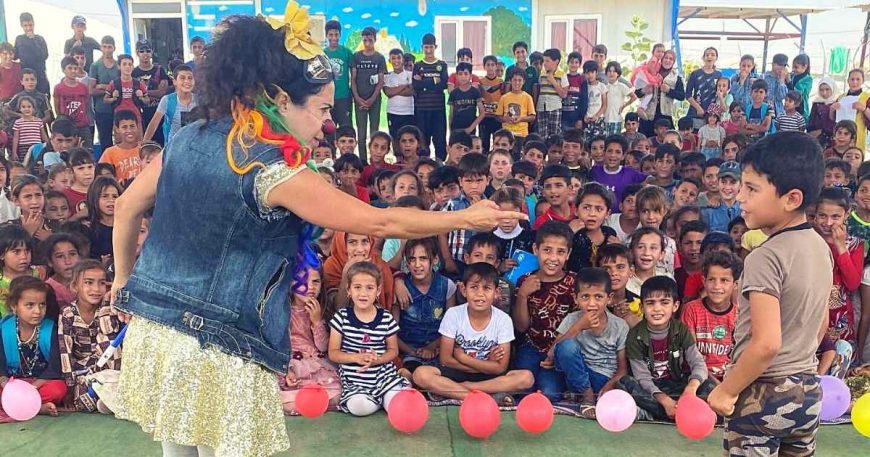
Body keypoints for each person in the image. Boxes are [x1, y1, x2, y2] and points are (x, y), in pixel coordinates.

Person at [110, 7, 523, 455]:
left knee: (180, 446)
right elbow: (381, 221)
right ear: (280, 100)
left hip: (158, 326)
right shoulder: (274, 170)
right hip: (221, 341)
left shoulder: (187, 136)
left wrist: (122, 278)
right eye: (322, 109)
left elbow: (128, 206)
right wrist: (466, 217)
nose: (327, 122)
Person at [707, 132, 830, 455]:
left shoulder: (765, 255)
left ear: (791, 198)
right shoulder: (820, 247)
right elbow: (821, 321)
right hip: (807, 390)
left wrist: (727, 390)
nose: (740, 198)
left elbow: (766, 344)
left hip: (761, 395)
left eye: (752, 189)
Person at [413, 262, 534, 402]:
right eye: (474, 287)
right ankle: (479, 397)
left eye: (487, 288)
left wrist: (464, 358)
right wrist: (487, 365)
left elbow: (501, 368)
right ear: (464, 290)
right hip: (458, 372)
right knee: (421, 375)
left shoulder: (503, 320)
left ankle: (462, 389)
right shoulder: (454, 314)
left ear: (496, 292)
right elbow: (446, 359)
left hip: (487, 378)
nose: (480, 294)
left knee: (526, 378)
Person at [618, 275, 714, 420]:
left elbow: (698, 363)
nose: (657, 309)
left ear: (675, 306)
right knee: (625, 383)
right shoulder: (635, 336)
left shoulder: (680, 329)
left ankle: (654, 414)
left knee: (708, 386)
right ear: (642, 307)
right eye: (650, 303)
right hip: (651, 392)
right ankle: (678, 413)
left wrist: (690, 390)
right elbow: (642, 378)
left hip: (677, 387)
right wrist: (664, 401)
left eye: (664, 302)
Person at [327, 261, 408, 416]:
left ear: (378, 291)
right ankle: (378, 401)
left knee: (399, 401)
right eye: (357, 287)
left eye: (369, 288)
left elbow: (393, 350)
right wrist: (356, 357)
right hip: (355, 381)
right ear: (348, 290)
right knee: (358, 407)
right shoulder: (341, 318)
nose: (363, 293)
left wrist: (376, 360)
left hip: (384, 377)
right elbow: (333, 353)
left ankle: (387, 396)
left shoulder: (385, 317)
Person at [547, 267, 629, 412]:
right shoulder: (572, 319)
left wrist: (609, 386)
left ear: (609, 298)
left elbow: (623, 369)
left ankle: (581, 396)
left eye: (598, 297)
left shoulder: (620, 326)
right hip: (576, 378)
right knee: (567, 347)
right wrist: (578, 327)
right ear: (576, 298)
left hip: (603, 380)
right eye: (585, 297)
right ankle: (587, 396)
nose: (591, 303)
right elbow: (552, 354)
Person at [513, 221, 577, 401]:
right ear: (535, 249)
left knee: (549, 393)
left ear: (568, 254)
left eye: (560, 252)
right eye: (547, 250)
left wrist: (556, 349)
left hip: (560, 349)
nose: (553, 258)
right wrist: (523, 295)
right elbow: (521, 326)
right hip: (531, 347)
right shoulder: (525, 280)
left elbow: (578, 324)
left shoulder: (574, 282)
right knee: (522, 389)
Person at [58, 259, 122, 411]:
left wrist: (107, 301)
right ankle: (106, 399)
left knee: (109, 343)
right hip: (83, 371)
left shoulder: (108, 309)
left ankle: (108, 397)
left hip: (109, 367)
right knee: (83, 402)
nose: (96, 289)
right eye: (88, 282)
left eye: (101, 283)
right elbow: (65, 351)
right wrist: (69, 386)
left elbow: (109, 336)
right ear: (75, 286)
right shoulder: (68, 314)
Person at [0, 276, 65, 416]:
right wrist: (6, 385)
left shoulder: (51, 328)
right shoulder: (3, 329)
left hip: (39, 384)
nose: (37, 311)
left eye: (42, 304)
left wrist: (31, 388)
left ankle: (22, 405)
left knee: (58, 389)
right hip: (12, 384)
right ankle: (37, 407)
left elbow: (55, 367)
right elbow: (1, 366)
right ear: (14, 306)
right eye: (30, 305)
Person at [279, 265, 340, 413]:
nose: (310, 287)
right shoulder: (282, 311)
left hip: (317, 362)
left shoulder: (322, 309)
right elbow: (278, 344)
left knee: (337, 395)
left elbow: (323, 347)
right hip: (291, 363)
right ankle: (305, 401)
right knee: (287, 401)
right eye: (303, 281)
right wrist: (286, 369)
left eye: (316, 282)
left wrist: (317, 321)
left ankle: (311, 402)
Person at [393, 237, 456, 374]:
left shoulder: (447, 286)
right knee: (409, 371)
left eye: (423, 258)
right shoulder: (400, 288)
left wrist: (433, 347)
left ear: (435, 260)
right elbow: (392, 330)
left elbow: (451, 326)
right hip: (408, 351)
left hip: (438, 349)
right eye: (412, 259)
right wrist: (411, 351)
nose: (417, 264)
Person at [813, 186, 862, 346]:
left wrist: (841, 248)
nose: (828, 223)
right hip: (811, 309)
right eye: (822, 216)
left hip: (839, 316)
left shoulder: (855, 244)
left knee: (840, 358)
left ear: (846, 215)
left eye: (835, 217)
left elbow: (853, 283)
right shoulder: (807, 239)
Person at [680, 251, 740, 381]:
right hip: (696, 377)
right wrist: (716, 385)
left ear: (735, 284)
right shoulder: (691, 310)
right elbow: (691, 356)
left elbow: (741, 358)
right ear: (704, 281)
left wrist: (727, 388)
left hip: (730, 380)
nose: (717, 286)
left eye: (724, 280)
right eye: (711, 279)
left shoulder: (739, 315)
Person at [413, 34, 449, 161]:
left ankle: (440, 167)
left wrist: (424, 82)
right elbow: (416, 85)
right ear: (422, 47)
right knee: (423, 141)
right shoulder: (417, 65)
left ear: (435, 47)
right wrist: (434, 80)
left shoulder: (442, 65)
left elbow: (443, 84)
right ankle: (423, 167)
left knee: (439, 140)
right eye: (426, 47)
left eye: (431, 47)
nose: (428, 50)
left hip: (438, 109)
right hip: (422, 109)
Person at [567, 183, 618, 271]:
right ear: (576, 210)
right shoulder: (572, 235)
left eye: (599, 209)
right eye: (586, 208)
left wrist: (619, 248)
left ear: (607, 214)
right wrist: (567, 233)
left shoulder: (610, 234)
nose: (592, 214)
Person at [636, 50, 685, 137]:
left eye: (671, 59)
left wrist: (669, 91)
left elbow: (681, 96)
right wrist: (644, 90)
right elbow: (637, 93)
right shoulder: (650, 73)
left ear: (673, 62)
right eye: (666, 58)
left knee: (666, 141)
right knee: (645, 140)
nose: (668, 60)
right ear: (661, 59)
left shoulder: (676, 78)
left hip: (665, 115)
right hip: (648, 115)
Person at [144, 64, 197, 145]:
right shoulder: (167, 100)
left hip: (194, 148)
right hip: (172, 148)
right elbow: (153, 124)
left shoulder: (200, 101)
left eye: (190, 78)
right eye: (182, 78)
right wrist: (145, 144)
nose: (187, 81)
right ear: (175, 82)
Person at [0, 225, 44, 317]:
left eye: (27, 251)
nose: (24, 257)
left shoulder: (39, 274)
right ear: (2, 255)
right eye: (16, 252)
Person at [132, 40, 169, 146]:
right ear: (137, 53)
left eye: (148, 50)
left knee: (161, 146)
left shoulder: (159, 70)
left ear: (152, 52)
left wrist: (143, 92)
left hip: (158, 113)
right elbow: (133, 94)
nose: (145, 54)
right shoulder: (133, 72)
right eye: (141, 51)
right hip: (140, 116)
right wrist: (153, 92)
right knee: (144, 146)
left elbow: (162, 92)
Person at [597, 243, 642, 327]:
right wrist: (613, 319)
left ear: (631, 271)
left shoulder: (639, 304)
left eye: (620, 267)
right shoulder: (592, 303)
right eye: (606, 269)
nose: (614, 273)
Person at [324, 20, 353, 137]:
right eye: (331, 35)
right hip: (328, 98)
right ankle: (330, 153)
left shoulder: (346, 52)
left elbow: (353, 75)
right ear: (326, 35)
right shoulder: (322, 53)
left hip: (344, 97)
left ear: (340, 35)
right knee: (329, 129)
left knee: (346, 130)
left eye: (336, 34)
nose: (334, 38)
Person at [89, 36, 120, 149]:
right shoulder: (95, 66)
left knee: (121, 139)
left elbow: (121, 87)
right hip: (102, 109)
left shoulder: (118, 66)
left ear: (114, 48)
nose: (107, 50)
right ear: (101, 47)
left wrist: (102, 86)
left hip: (118, 108)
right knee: (105, 141)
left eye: (110, 47)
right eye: (105, 47)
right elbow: (91, 90)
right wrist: (110, 88)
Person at [54, 56, 92, 146]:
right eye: (70, 68)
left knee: (87, 149)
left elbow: (86, 104)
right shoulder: (59, 88)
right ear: (63, 70)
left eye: (75, 68)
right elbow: (57, 106)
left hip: (82, 125)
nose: (73, 71)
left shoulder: (83, 87)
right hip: (66, 125)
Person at [101, 110, 143, 185]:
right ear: (117, 129)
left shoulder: (144, 149)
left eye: (132, 126)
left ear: (137, 127)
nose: (129, 130)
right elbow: (102, 179)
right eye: (124, 127)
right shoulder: (109, 153)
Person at [685, 47, 723, 129]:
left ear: (716, 58)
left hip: (712, 115)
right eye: (707, 55)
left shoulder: (719, 75)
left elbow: (721, 93)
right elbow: (688, 94)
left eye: (712, 55)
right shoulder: (695, 74)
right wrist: (698, 108)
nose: (709, 57)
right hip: (696, 112)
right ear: (703, 57)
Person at [13, 13, 50, 95]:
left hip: (40, 77)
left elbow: (45, 56)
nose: (29, 28)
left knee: (43, 102)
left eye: (30, 25)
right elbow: (15, 56)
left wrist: (33, 41)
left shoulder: (40, 39)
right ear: (21, 26)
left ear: (34, 24)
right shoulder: (19, 39)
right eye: (25, 26)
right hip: (26, 78)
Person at [43, 233, 81, 309]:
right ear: (49, 262)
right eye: (60, 256)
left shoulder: (89, 283)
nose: (68, 261)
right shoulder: (46, 289)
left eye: (72, 254)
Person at [384, 48, 415, 141]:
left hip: (408, 112)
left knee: (408, 139)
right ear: (390, 61)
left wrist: (395, 90)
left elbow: (412, 91)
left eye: (398, 58)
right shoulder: (387, 77)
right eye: (393, 58)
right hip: (392, 112)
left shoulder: (411, 75)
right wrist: (405, 85)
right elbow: (388, 93)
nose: (396, 61)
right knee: (395, 139)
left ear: (403, 60)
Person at [448, 63, 485, 134]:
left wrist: (471, 128)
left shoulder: (475, 92)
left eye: (466, 74)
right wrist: (450, 131)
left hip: (470, 130)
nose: (463, 77)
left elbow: (482, 113)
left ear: (470, 76)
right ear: (456, 76)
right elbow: (451, 114)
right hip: (456, 129)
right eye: (460, 74)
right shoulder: (453, 93)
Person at [479, 55, 504, 152]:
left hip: (497, 117)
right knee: (483, 144)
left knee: (497, 143)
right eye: (488, 65)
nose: (490, 67)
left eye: (492, 65)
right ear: (484, 67)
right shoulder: (480, 82)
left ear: (496, 66)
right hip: (484, 117)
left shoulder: (501, 82)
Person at [604, 62, 636, 136]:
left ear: (618, 74)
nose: (611, 73)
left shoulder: (621, 86)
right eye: (609, 71)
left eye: (614, 71)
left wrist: (624, 106)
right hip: (605, 119)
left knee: (615, 140)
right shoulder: (604, 87)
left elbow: (633, 97)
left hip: (616, 119)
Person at [808, 77, 838, 148]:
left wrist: (822, 131)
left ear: (832, 89)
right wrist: (810, 132)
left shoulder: (837, 103)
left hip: (832, 138)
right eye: (821, 90)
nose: (824, 93)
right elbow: (811, 119)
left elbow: (836, 123)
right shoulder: (816, 103)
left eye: (827, 89)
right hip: (816, 137)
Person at [762, 53, 790, 121]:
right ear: (773, 64)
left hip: (779, 112)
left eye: (783, 65)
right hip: (765, 111)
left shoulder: (784, 78)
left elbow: (782, 96)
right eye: (779, 65)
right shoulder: (764, 77)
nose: (781, 67)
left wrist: (782, 80)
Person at [790, 54, 813, 121]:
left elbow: (797, 93)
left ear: (804, 66)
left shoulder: (808, 79)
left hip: (801, 108)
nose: (793, 69)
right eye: (793, 67)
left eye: (796, 67)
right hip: (790, 106)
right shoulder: (792, 76)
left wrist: (788, 82)